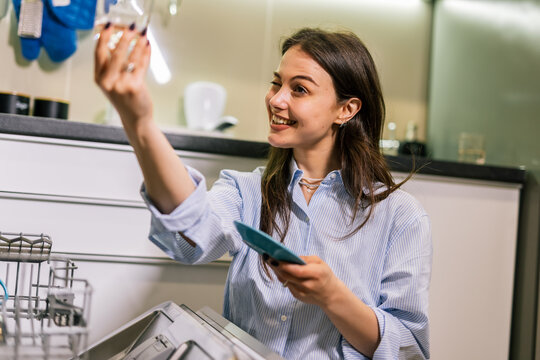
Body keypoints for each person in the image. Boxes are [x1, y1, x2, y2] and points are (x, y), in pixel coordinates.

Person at [94, 25, 432, 360]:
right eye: (276, 83)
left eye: (299, 89)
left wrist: (333, 296)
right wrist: (140, 124)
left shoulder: (401, 216)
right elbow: (190, 232)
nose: (276, 100)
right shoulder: (245, 191)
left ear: (346, 110)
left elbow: (408, 350)